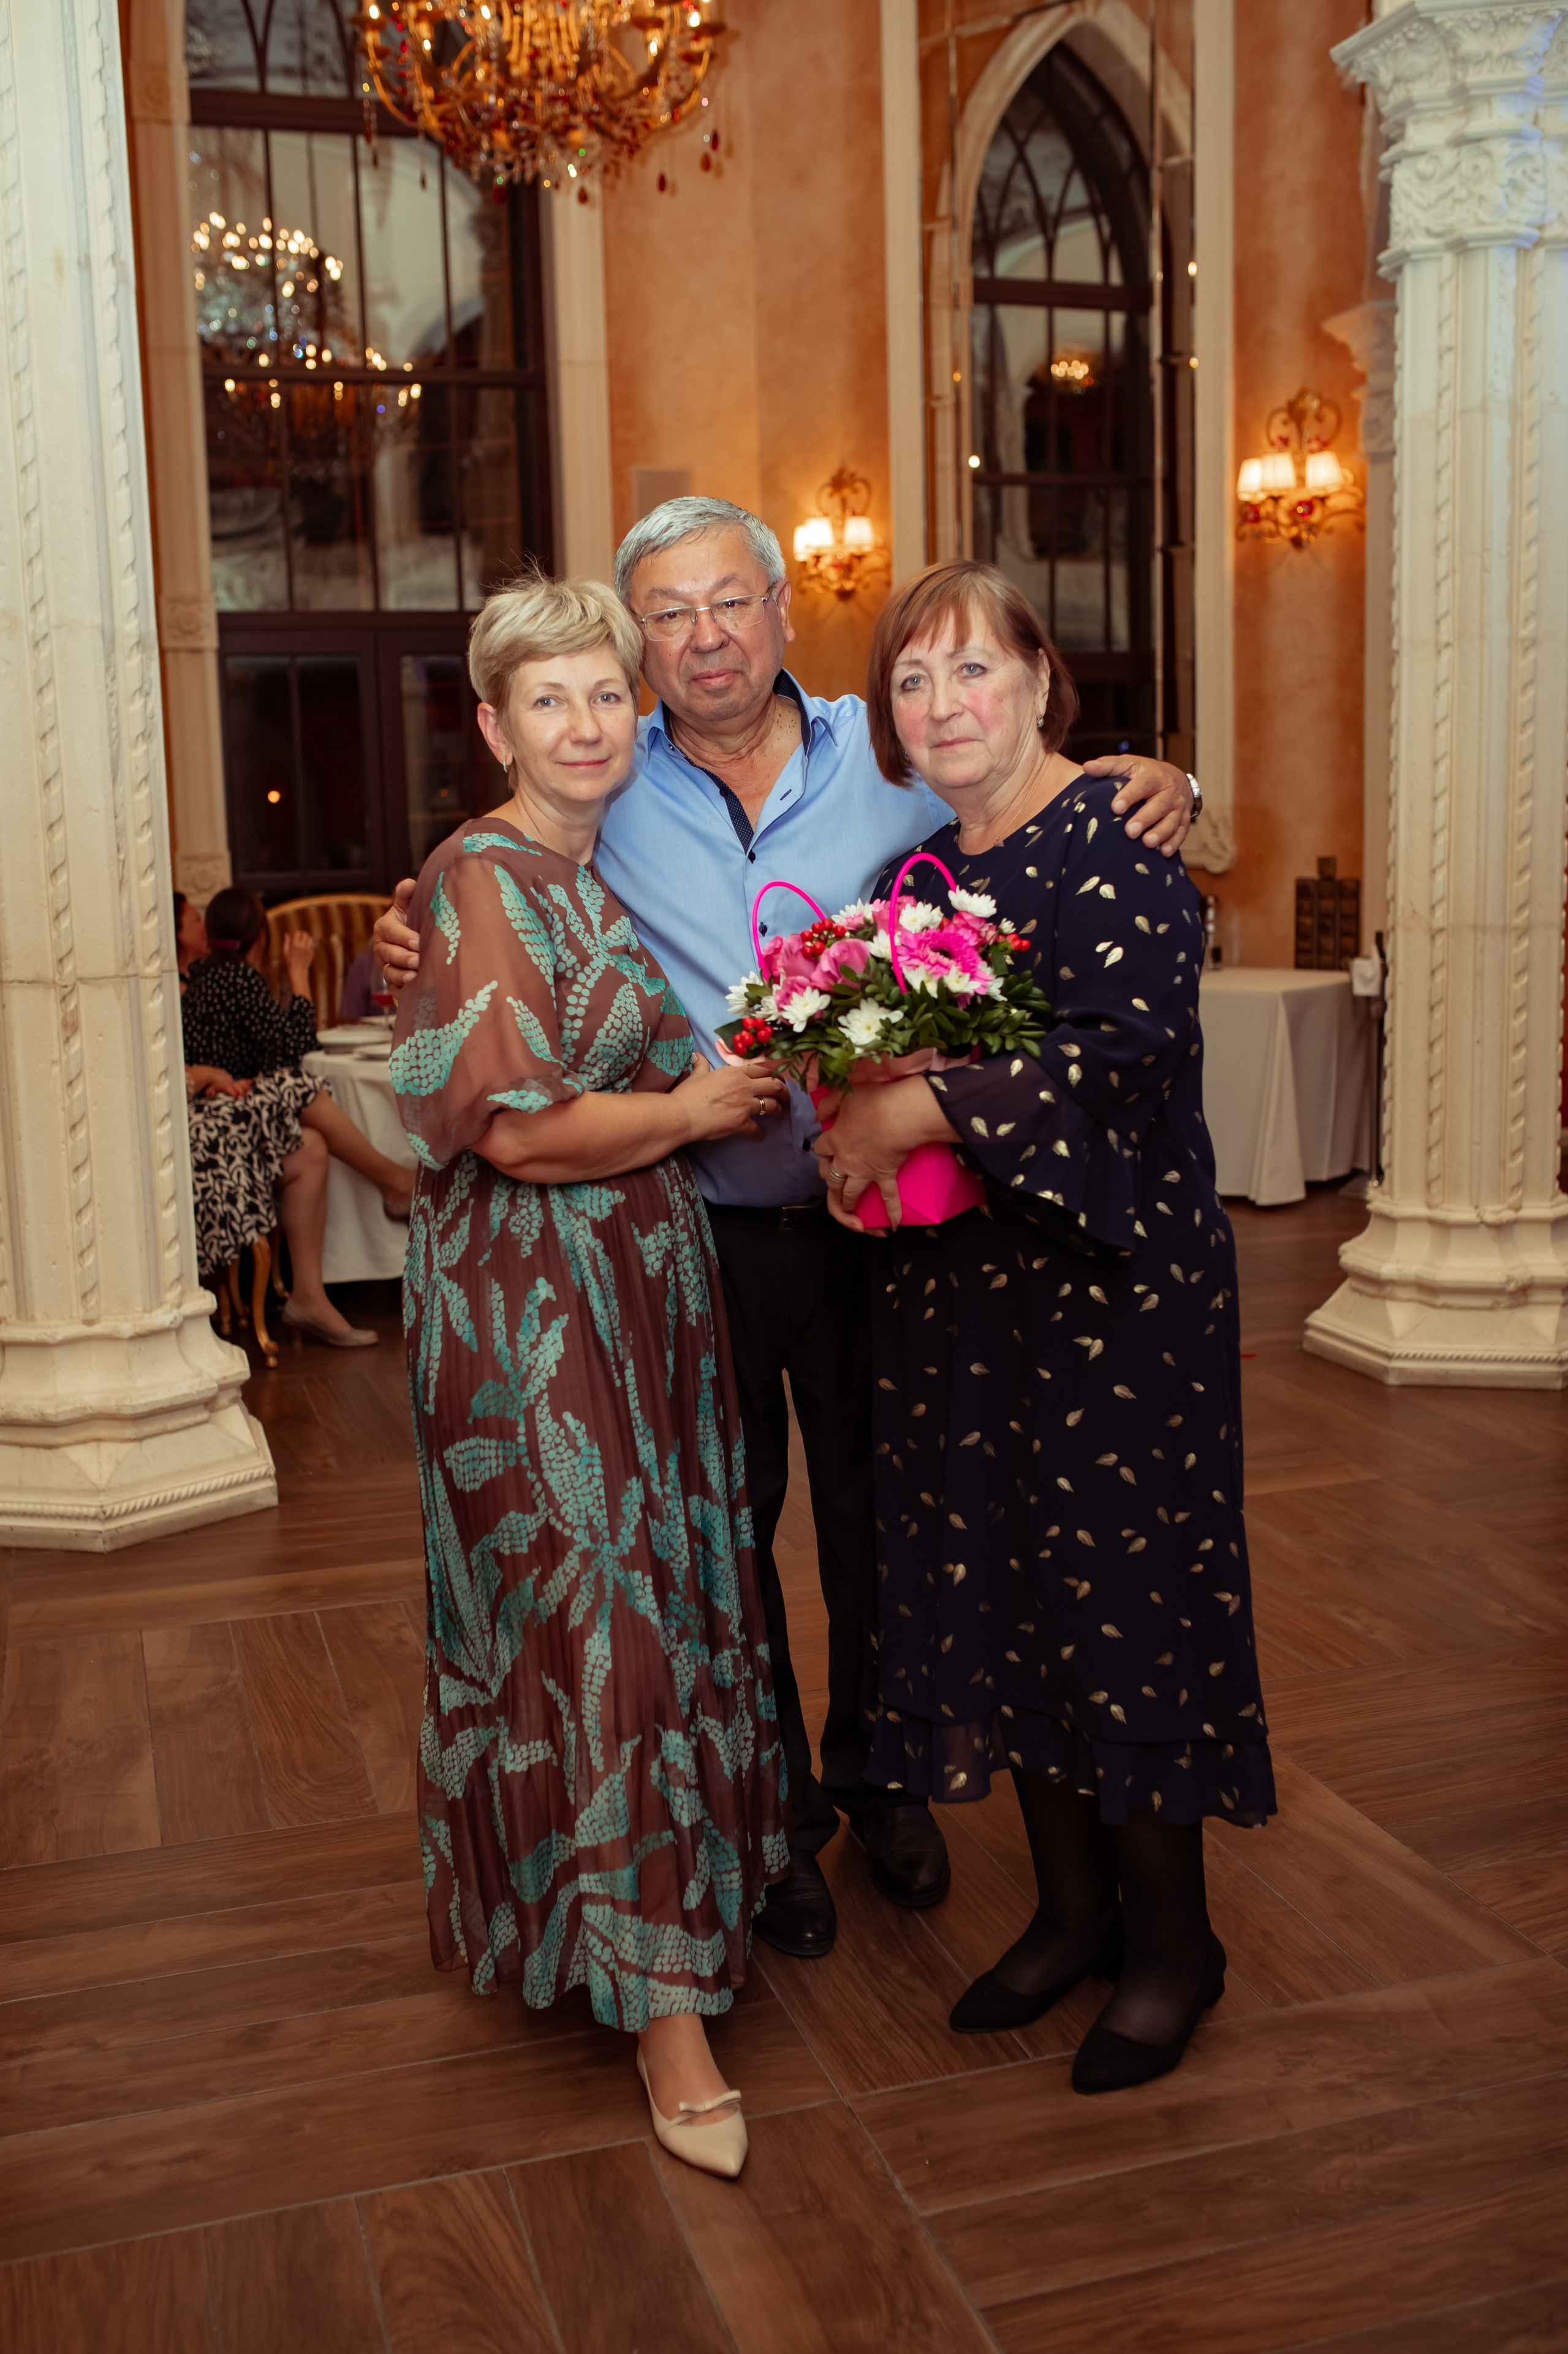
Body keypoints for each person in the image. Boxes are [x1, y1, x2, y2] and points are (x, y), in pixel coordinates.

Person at [374, 495, 1196, 1964]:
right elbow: (490, 885)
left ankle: (888, 1782)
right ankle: (780, 1829)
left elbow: (1047, 805)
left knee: (898, 1520)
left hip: (899, 1224)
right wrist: (409, 924)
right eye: (667, 615)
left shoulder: (893, 757)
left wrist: (1172, 783)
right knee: (719, 1525)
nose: (703, 637)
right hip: (690, 1228)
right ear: (636, 651)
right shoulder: (606, 774)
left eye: (727, 601)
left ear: (779, 609)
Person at [813, 559, 1274, 2094]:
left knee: (1123, 1609)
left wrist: (915, 1098)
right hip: (959, 1302)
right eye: (910, 680)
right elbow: (865, 1069)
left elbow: (1130, 1047)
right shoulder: (918, 880)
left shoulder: (1121, 835)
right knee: (1004, 1593)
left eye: (970, 671)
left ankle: (1170, 1946)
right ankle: (1071, 1915)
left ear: (1035, 680)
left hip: (1113, 1300)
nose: (941, 705)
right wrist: (847, 1131)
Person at [389, 574, 787, 2179]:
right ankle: (664, 2018)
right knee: (599, 1617)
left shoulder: (583, 864)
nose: (586, 723)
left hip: (638, 1285)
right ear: (494, 726)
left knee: (648, 1604)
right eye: (548, 700)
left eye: (606, 695)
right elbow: (519, 1127)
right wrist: (699, 1112)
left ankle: (644, 1917)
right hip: (534, 1306)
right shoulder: (487, 869)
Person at [184, 887, 415, 1345]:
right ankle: (394, 1181)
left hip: (232, 1114)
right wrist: (298, 973)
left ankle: (308, 1296)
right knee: (301, 1085)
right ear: (259, 939)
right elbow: (298, 1049)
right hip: (222, 1122)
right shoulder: (238, 980)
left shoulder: (199, 977)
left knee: (312, 1145)